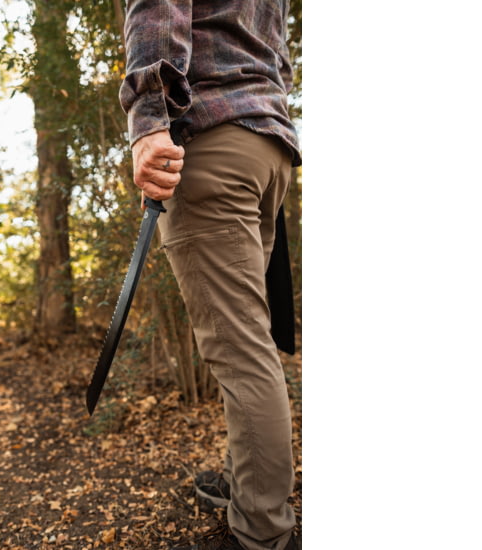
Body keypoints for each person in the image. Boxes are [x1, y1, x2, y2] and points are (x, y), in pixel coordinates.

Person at [118, 1, 301, 549]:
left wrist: (149, 120)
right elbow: (277, 56)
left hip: (212, 142)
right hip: (266, 149)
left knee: (239, 348)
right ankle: (244, 486)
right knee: (246, 337)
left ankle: (263, 534)